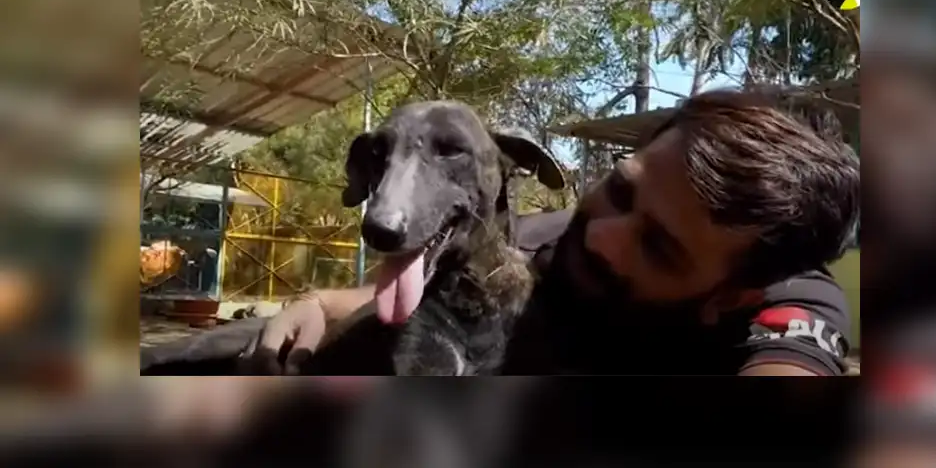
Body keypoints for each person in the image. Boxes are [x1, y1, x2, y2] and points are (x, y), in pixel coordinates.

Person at [250, 89, 861, 375]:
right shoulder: (554, 238)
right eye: (621, 191)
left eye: (658, 247)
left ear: (731, 295)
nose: (602, 237)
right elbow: (446, 290)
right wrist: (319, 304)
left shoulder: (787, 300)